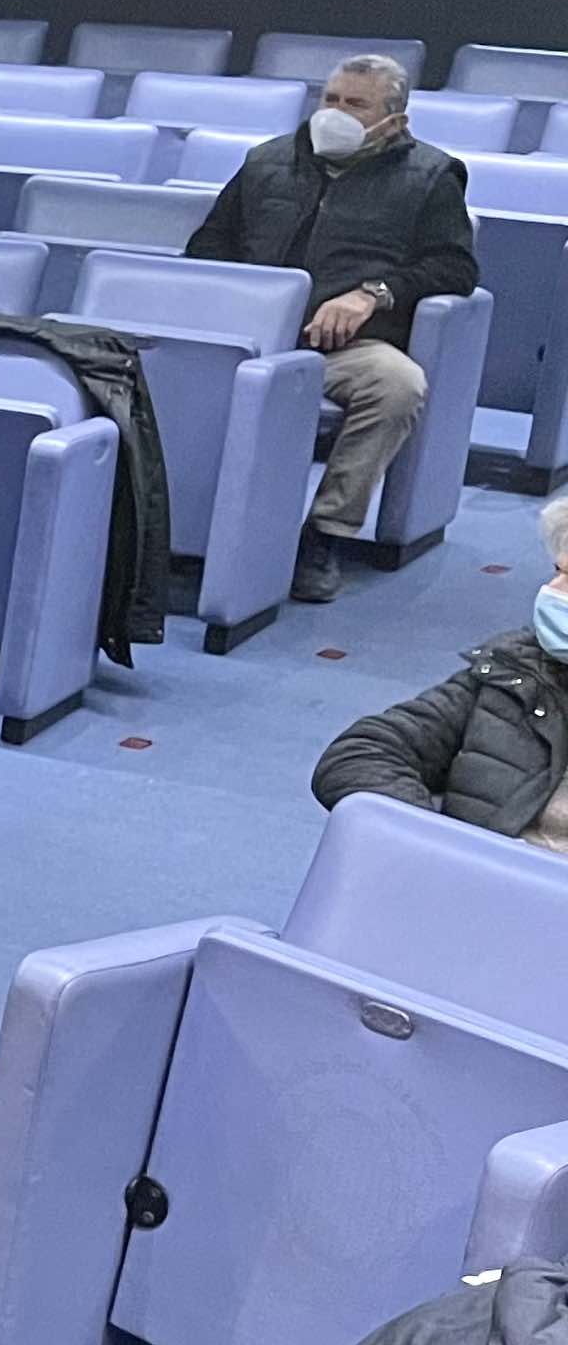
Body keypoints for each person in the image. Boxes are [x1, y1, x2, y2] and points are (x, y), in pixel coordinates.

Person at [183, 53, 478, 604]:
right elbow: (208, 243)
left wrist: (373, 294)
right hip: (250, 338)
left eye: (356, 104)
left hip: (344, 346)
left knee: (397, 386)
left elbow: (454, 268)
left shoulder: (432, 176)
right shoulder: (266, 161)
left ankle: (326, 533)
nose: (336, 113)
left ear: (395, 120)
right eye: (332, 100)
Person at [313, 492, 568, 844]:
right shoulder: (519, 671)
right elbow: (362, 752)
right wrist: (438, 849)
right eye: (558, 571)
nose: (553, 592)